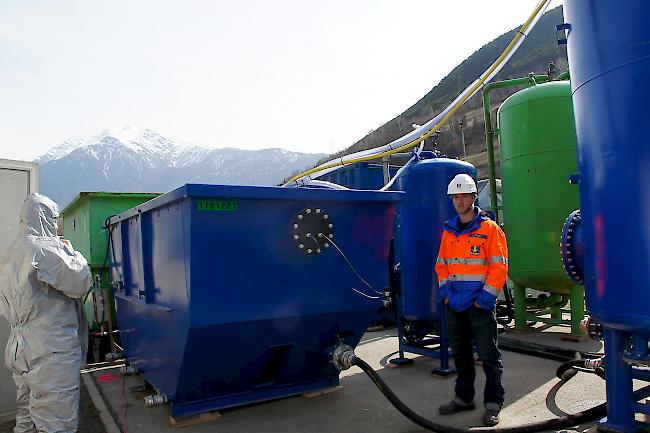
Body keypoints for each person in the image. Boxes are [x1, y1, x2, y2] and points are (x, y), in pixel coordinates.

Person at [0, 193, 91, 433]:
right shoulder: (45, 250)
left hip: (20, 349)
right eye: (54, 219)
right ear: (45, 217)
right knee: (56, 422)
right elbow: (81, 282)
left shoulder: (9, 253)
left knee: (26, 415)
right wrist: (72, 252)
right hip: (50, 351)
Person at [435, 173, 508, 426]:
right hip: (454, 305)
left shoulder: (489, 230)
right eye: (455, 197)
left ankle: (493, 402)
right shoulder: (449, 231)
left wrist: (484, 300)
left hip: (479, 306)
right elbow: (441, 266)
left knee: (488, 355)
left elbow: (499, 268)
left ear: (473, 197)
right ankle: (464, 397)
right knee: (462, 355)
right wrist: (445, 296)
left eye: (464, 195)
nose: (459, 200)